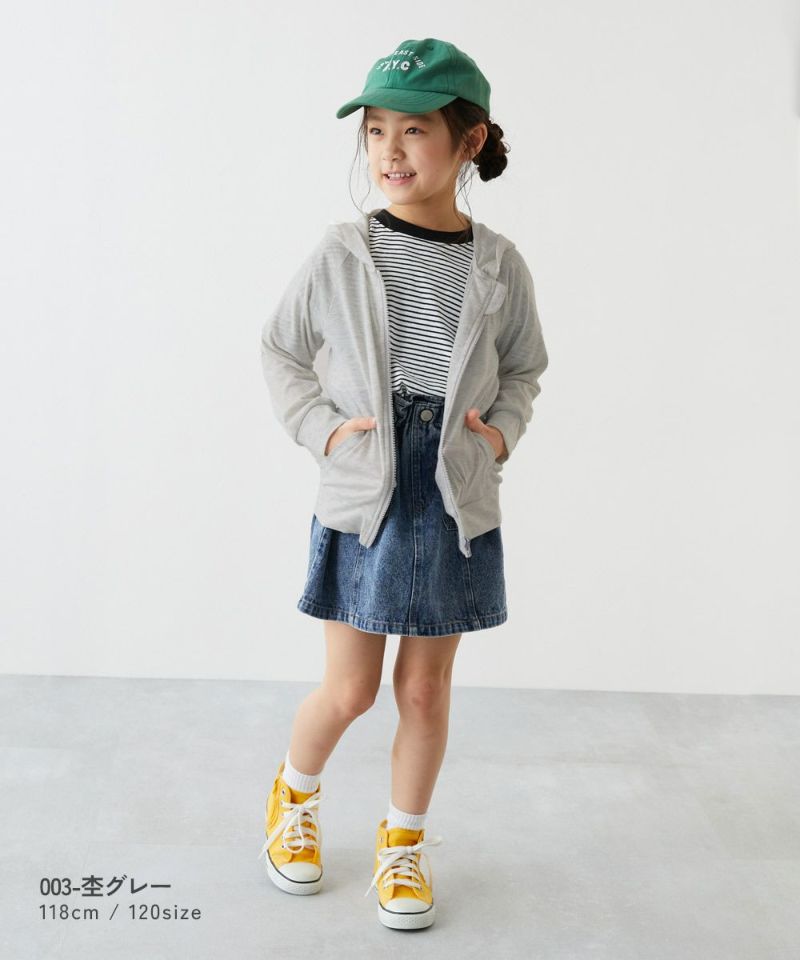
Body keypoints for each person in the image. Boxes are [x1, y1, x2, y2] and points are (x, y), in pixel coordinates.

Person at [258, 37, 549, 931]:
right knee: (351, 690)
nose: (389, 150)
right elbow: (281, 350)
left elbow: (523, 369)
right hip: (366, 494)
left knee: (423, 691)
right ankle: (294, 798)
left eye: (414, 130)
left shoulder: (498, 263)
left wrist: (498, 436)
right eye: (376, 129)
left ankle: (404, 844)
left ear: (470, 141)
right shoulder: (343, 251)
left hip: (453, 496)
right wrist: (322, 430)